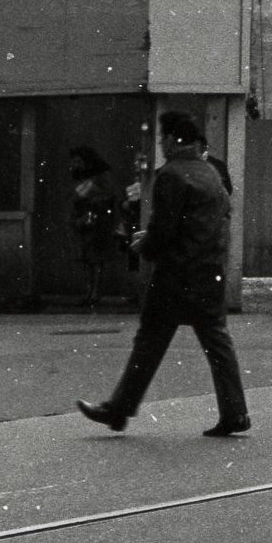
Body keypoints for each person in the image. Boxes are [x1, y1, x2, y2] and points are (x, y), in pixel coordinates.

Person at [77, 110, 250, 438]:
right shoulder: (211, 172)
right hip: (209, 270)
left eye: (162, 138)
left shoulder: (171, 174)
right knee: (217, 341)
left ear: (173, 139)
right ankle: (235, 412)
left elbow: (165, 230)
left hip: (175, 275)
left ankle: (118, 409)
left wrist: (146, 244)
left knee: (150, 341)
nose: (161, 144)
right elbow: (219, 215)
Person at [68, 146, 118, 306]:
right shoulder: (90, 176)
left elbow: (109, 195)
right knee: (89, 258)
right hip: (88, 218)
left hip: (96, 219)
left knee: (94, 258)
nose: (75, 164)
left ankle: (94, 292)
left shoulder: (98, 176)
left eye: (77, 161)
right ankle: (92, 291)